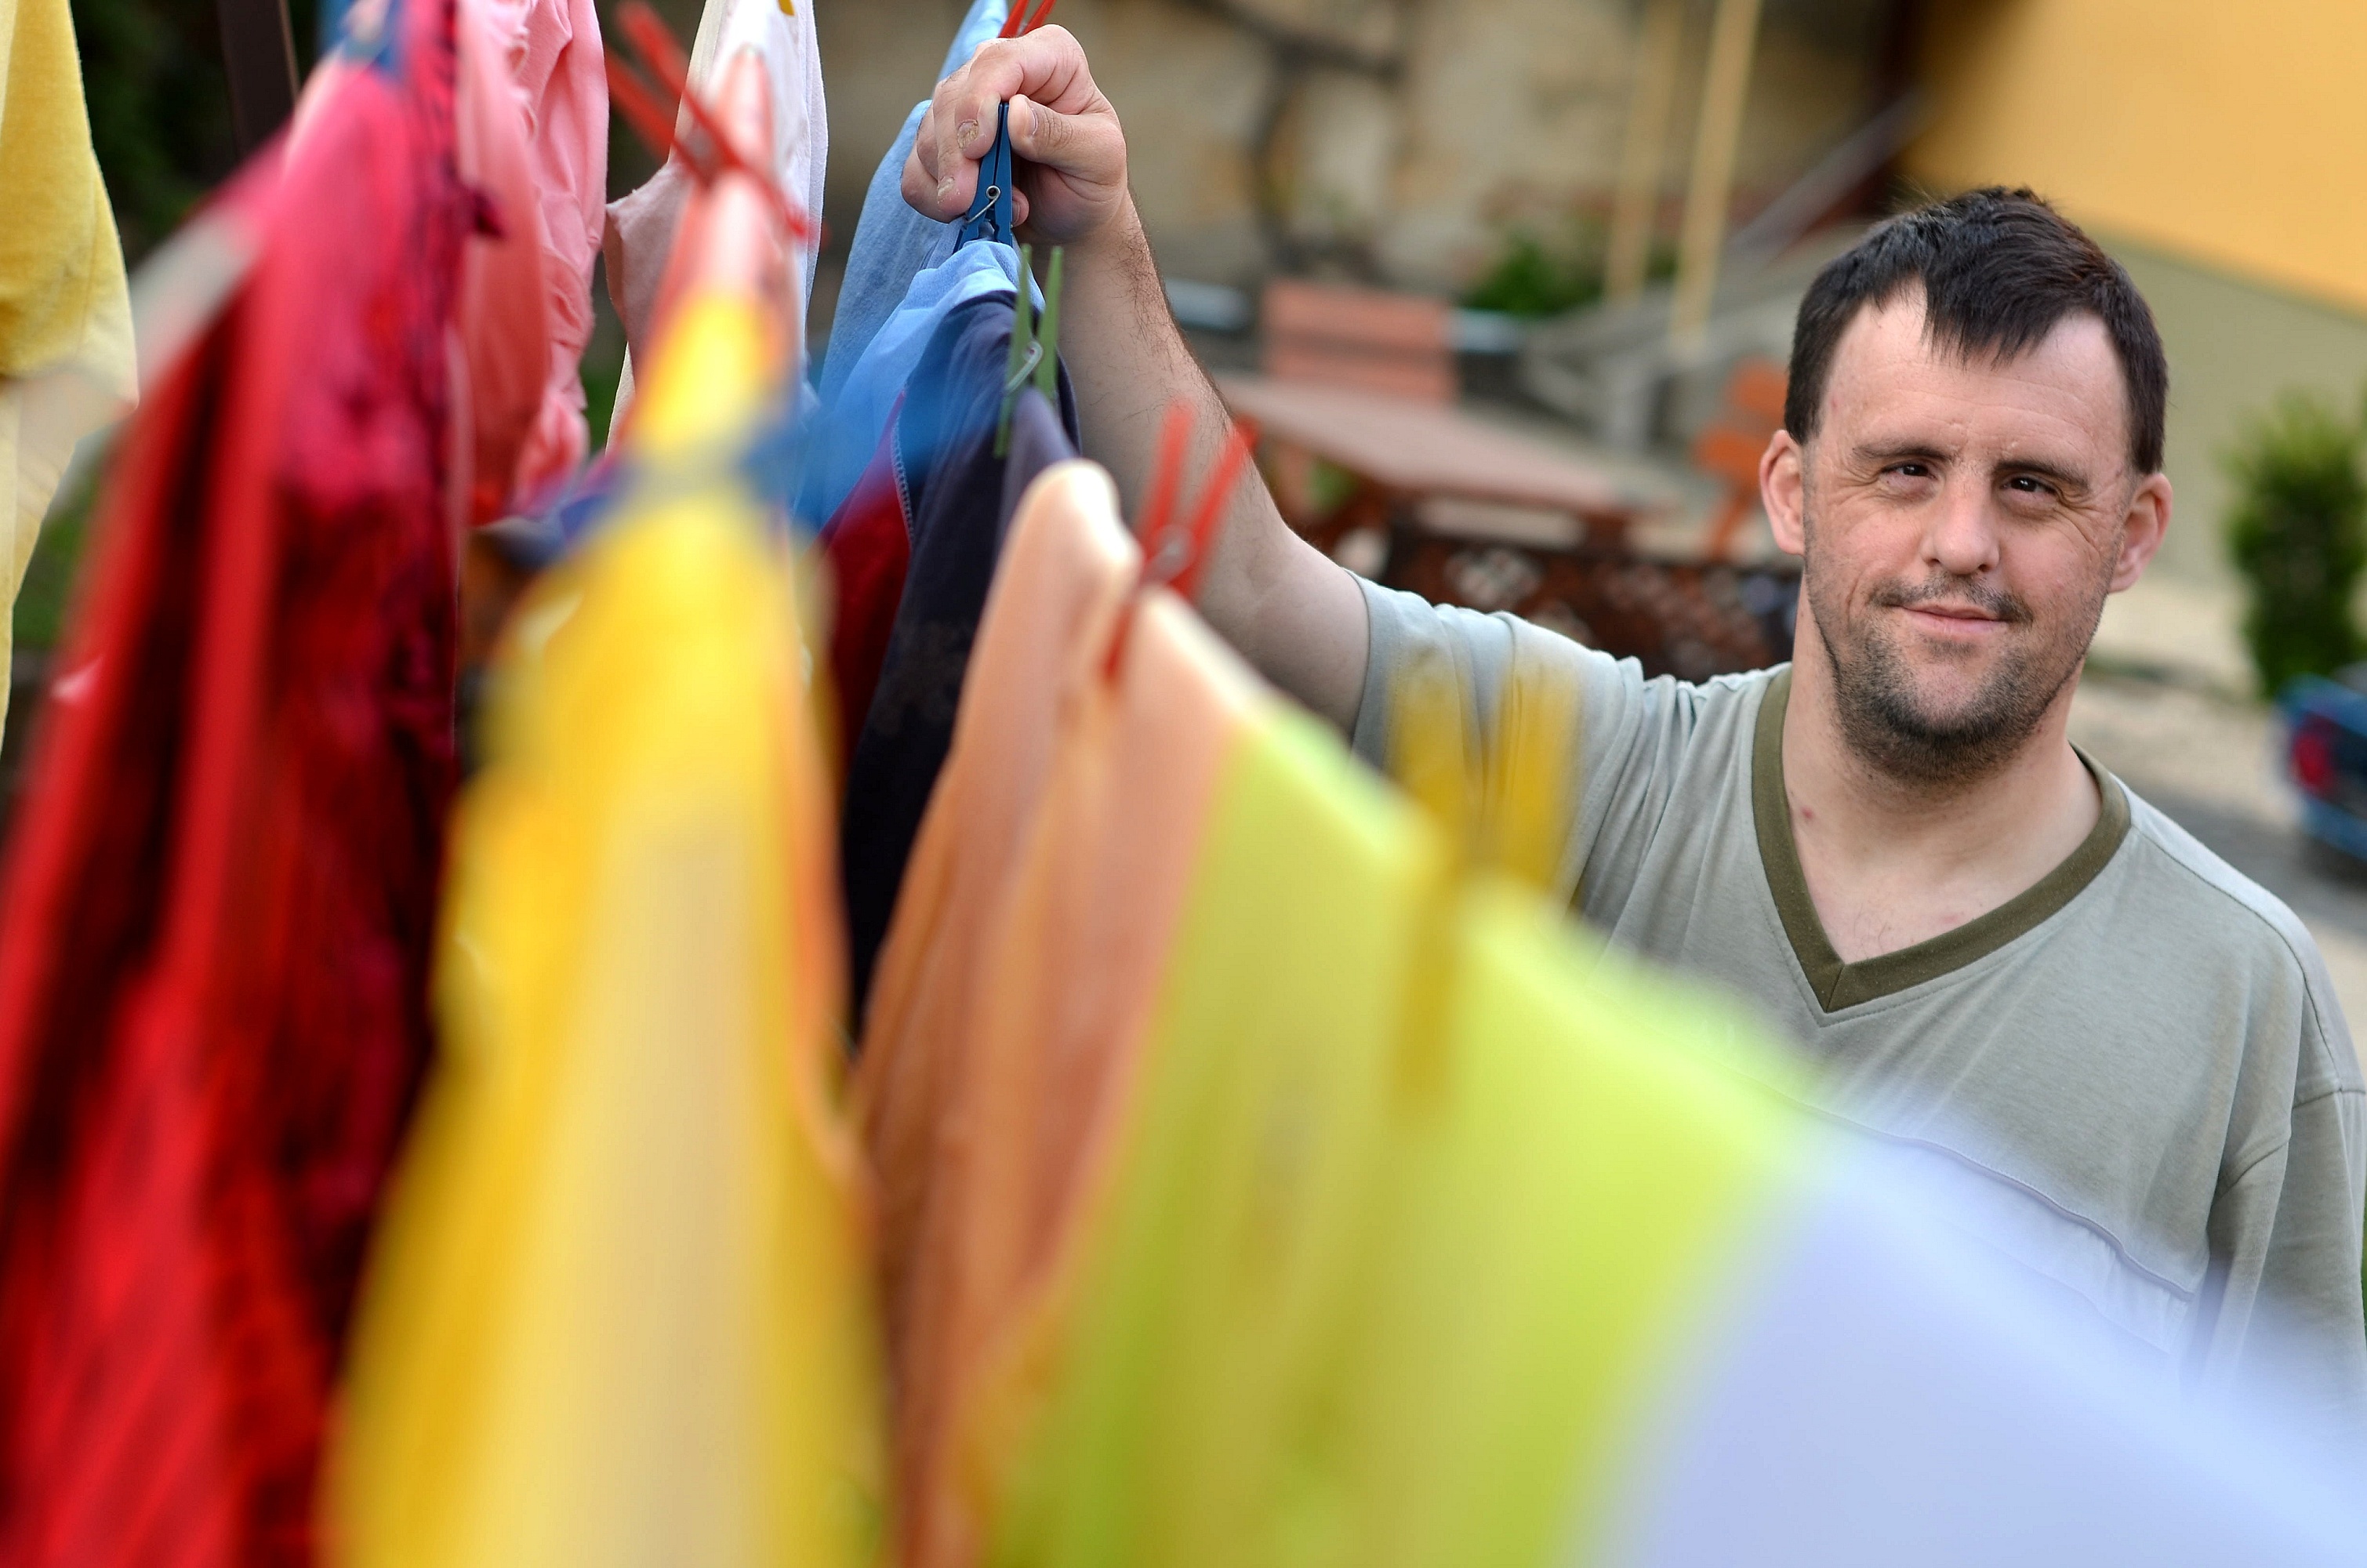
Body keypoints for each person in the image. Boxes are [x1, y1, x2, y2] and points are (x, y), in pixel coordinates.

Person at [893, 29, 2367, 1438]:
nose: (1963, 541)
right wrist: (1106, 233)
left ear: (2136, 533)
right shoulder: (1589, 772)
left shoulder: (2244, 1003)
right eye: (1906, 468)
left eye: (2035, 486)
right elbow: (1252, 590)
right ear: (1792, 494)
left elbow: (2298, 1495)